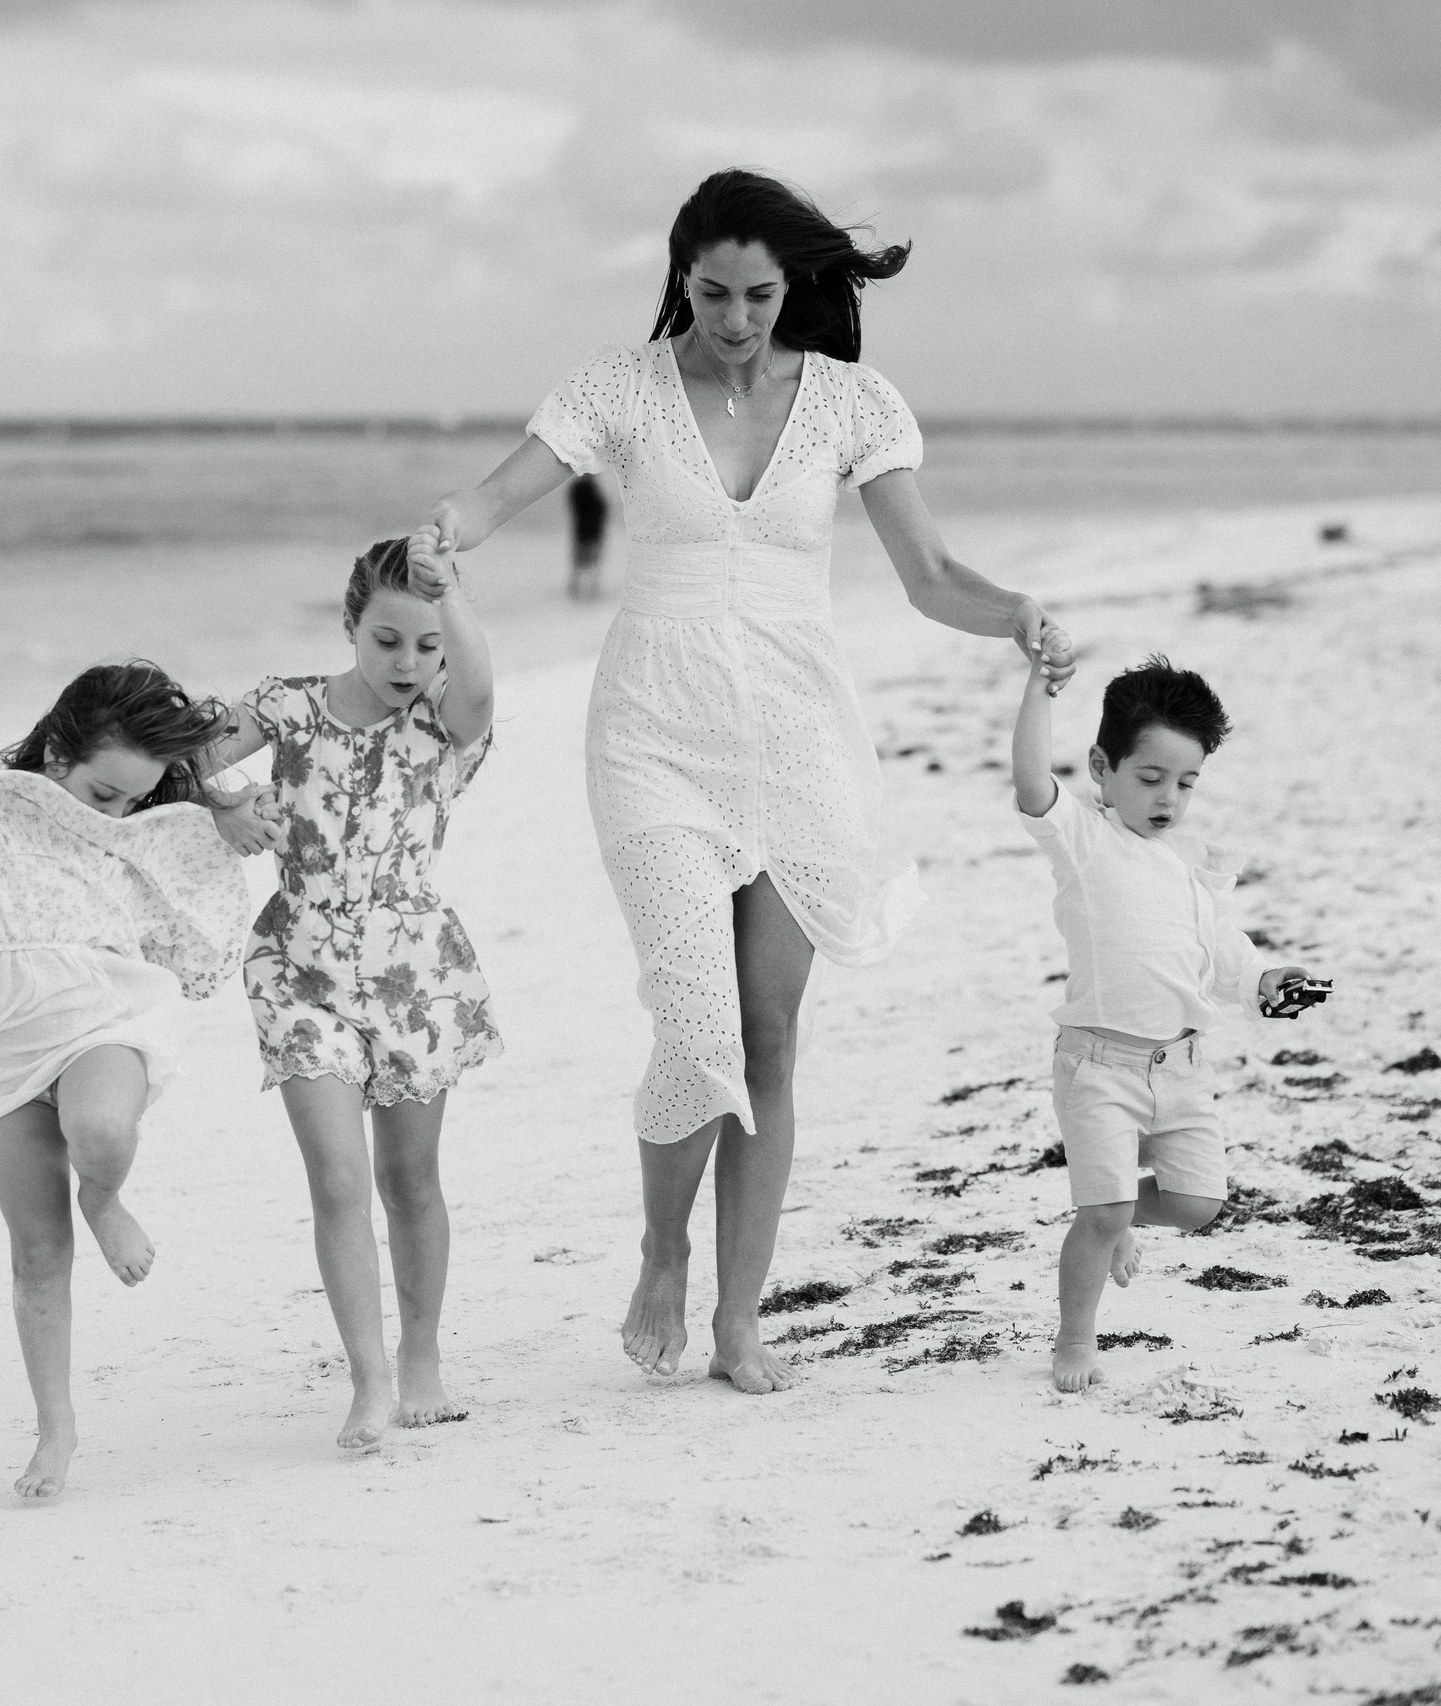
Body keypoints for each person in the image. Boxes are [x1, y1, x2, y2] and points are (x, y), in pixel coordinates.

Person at [416, 168, 1076, 1394]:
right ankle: (662, 1251)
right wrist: (441, 535)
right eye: (710, 292)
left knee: (768, 1037)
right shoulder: (621, 384)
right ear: (682, 280)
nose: (732, 316)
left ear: (794, 286)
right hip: (652, 733)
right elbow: (500, 492)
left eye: (757, 293)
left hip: (793, 735)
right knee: (697, 1017)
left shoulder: (849, 404)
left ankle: (738, 1320)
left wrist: (1016, 615)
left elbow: (928, 573)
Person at [0, 661, 279, 1498]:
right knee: (38, 1254)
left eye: (134, 800)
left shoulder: (145, 829)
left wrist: (227, 812)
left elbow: (209, 843)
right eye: (103, 793)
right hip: (2, 1043)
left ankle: (105, 1198)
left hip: (104, 1016)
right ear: (54, 757)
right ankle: (56, 1427)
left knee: (105, 1131)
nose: (118, 814)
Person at [201, 536, 501, 1449]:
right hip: (298, 971)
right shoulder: (286, 706)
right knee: (337, 1180)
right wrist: (221, 804)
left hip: (416, 976)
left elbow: (480, 685)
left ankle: (421, 1362)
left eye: (426, 645)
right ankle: (368, 1385)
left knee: (409, 1179)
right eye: (386, 642)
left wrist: (453, 599)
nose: (407, 664)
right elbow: (178, 751)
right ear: (350, 629)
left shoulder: (448, 724)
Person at [1010, 652, 1316, 1393]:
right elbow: (1027, 780)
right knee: (1105, 1209)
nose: (1169, 799)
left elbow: (1222, 950)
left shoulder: (1193, 862)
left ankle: (1113, 1218)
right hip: (1098, 1066)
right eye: (1150, 779)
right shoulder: (1083, 839)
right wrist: (1037, 689)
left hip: (1181, 1068)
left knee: (1196, 1203)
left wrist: (1264, 980)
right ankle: (1075, 1337)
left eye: (1186, 783)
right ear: (1102, 767)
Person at [567, 473, 609, 600]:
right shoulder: (585, 489)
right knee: (586, 559)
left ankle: (583, 588)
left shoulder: (583, 488)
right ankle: (585, 589)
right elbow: (598, 508)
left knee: (585, 559)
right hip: (588, 529)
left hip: (587, 529)